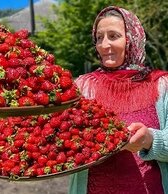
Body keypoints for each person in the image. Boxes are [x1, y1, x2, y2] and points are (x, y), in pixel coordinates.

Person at [69, 6, 168, 194]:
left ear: (132, 38)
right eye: (99, 38)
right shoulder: (84, 86)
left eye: (113, 36)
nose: (104, 45)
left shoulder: (161, 84)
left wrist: (150, 140)